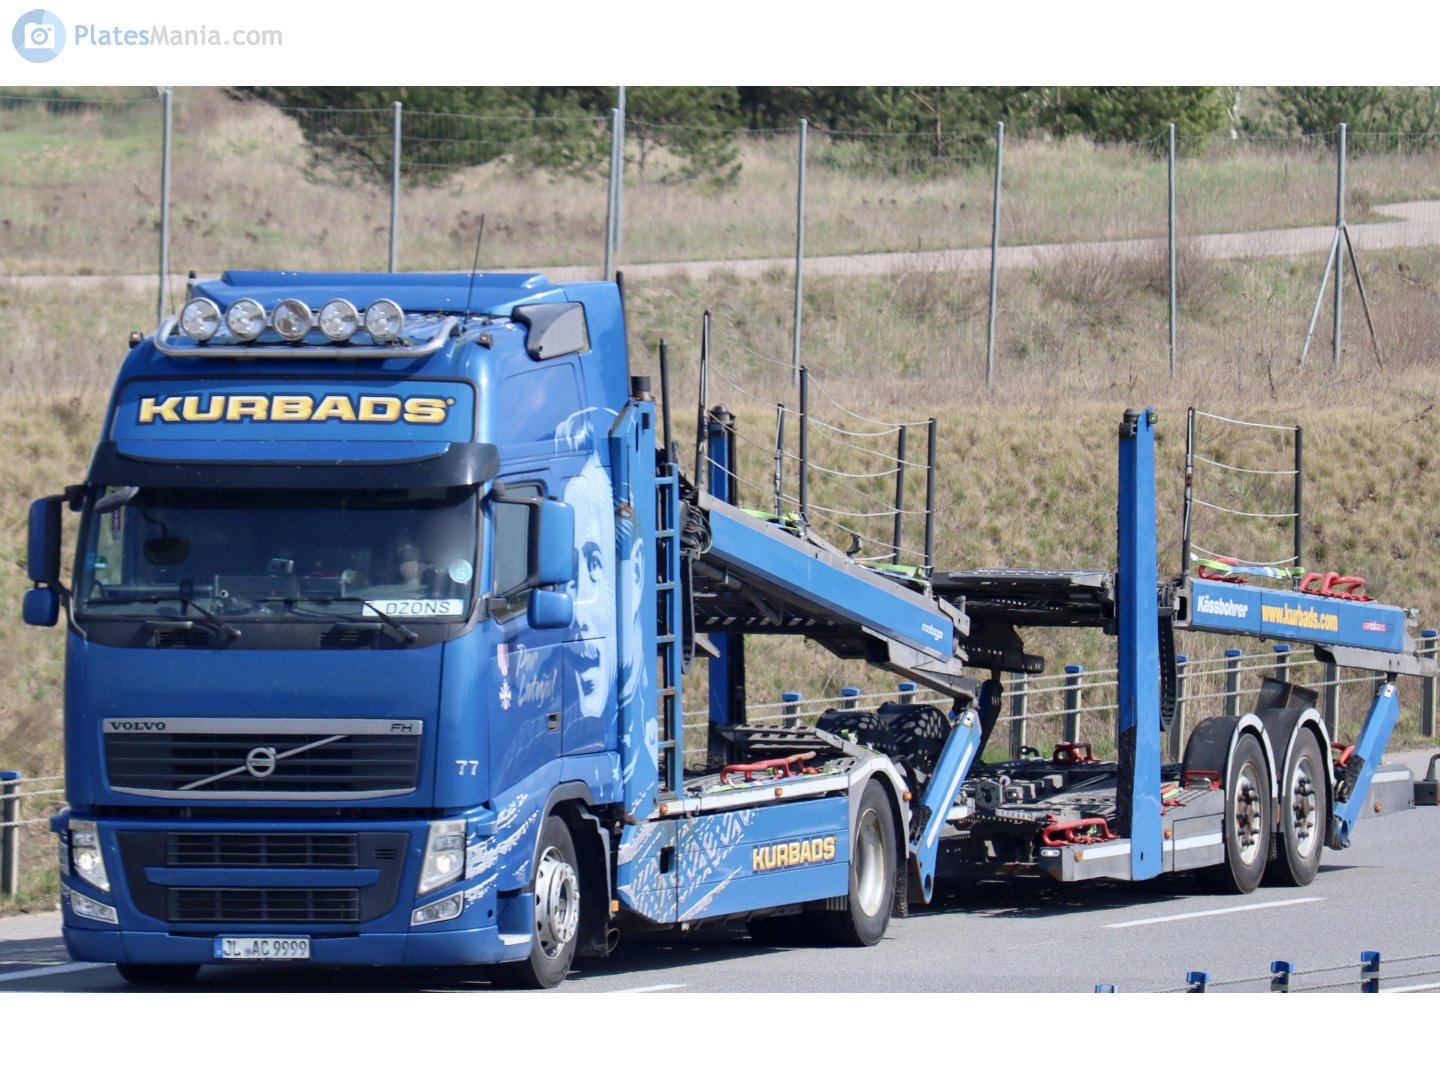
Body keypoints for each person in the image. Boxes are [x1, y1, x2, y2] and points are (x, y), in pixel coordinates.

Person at [396, 506, 475, 598]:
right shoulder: (416, 569)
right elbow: (409, 604)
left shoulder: (476, 566)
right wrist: (412, 579)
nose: (442, 540)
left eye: (450, 530)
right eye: (433, 535)